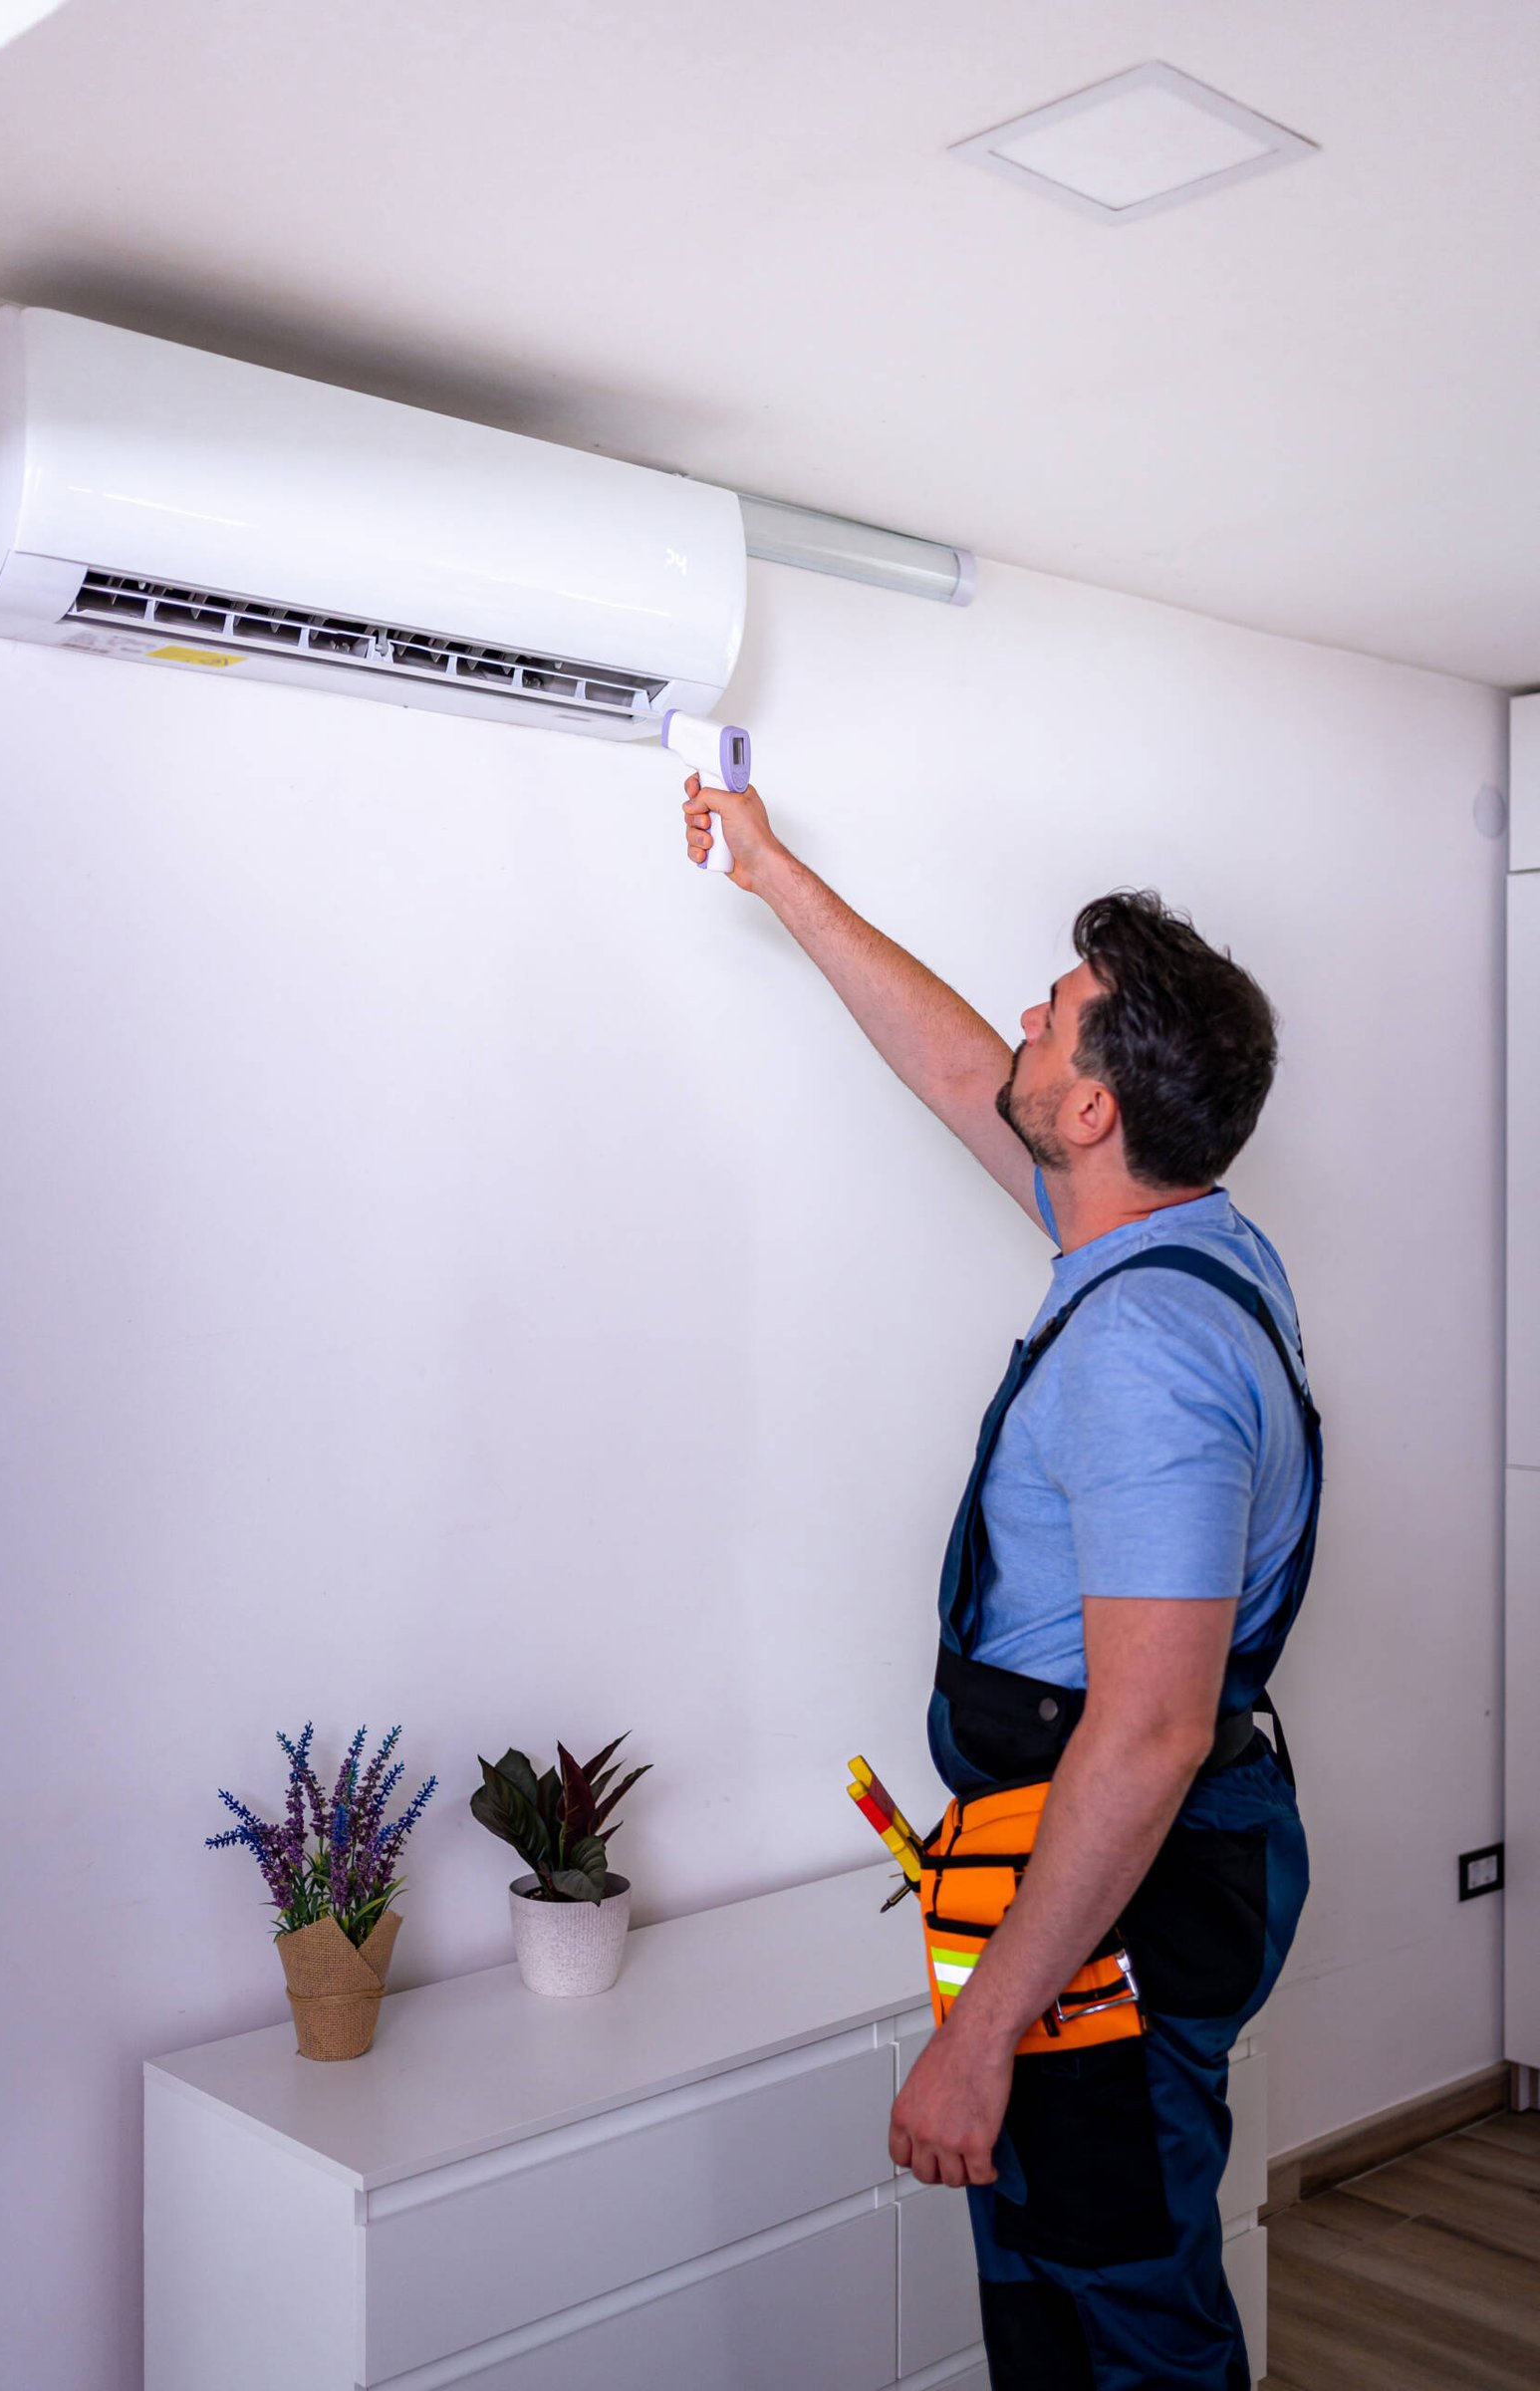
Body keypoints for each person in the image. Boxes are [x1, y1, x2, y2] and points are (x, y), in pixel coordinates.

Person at [682, 774, 1320, 2391]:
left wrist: (975, 2042)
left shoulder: (1148, 1357)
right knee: (1061, 2283)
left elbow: (1152, 1731)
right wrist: (773, 875)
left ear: (1096, 1114)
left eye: (1058, 1021)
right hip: (1087, 1866)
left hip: (1118, 1879)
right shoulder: (1181, 1237)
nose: (1023, 1028)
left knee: (1117, 2317)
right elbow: (962, 1069)